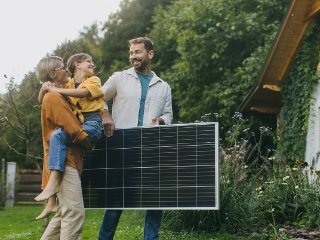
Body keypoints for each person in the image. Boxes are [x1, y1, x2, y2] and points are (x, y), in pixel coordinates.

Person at [99, 37, 173, 240]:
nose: (133, 57)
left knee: (155, 200)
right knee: (116, 200)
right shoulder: (118, 78)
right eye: (131, 53)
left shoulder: (163, 87)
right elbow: (97, 98)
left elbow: (168, 115)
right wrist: (105, 114)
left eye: (138, 52)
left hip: (150, 147)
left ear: (150, 54)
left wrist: (161, 121)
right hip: (122, 145)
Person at [35, 53, 104, 220]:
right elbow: (43, 98)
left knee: (57, 136)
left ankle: (52, 185)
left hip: (92, 125)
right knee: (55, 139)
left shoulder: (93, 81)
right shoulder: (69, 82)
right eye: (89, 61)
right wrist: (45, 89)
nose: (93, 64)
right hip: (80, 126)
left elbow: (81, 94)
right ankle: (52, 194)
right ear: (78, 64)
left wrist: (54, 89)